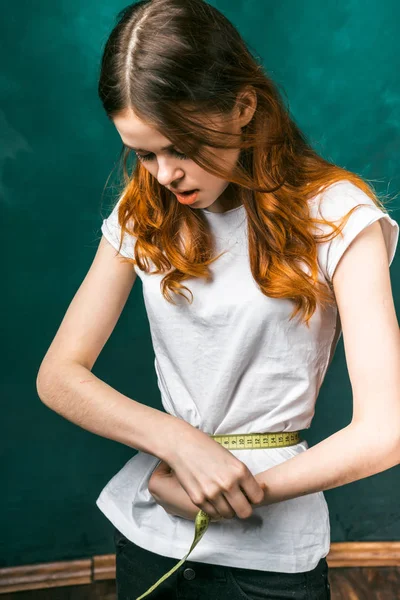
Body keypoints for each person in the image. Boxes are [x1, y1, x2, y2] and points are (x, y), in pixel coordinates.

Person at [36, 0, 400, 599]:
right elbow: (58, 376)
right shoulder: (141, 213)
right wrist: (177, 441)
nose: (164, 174)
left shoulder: (338, 215)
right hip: (150, 538)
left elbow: (384, 431)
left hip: (272, 561)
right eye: (145, 153)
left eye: (181, 146)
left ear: (243, 107)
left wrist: (238, 490)